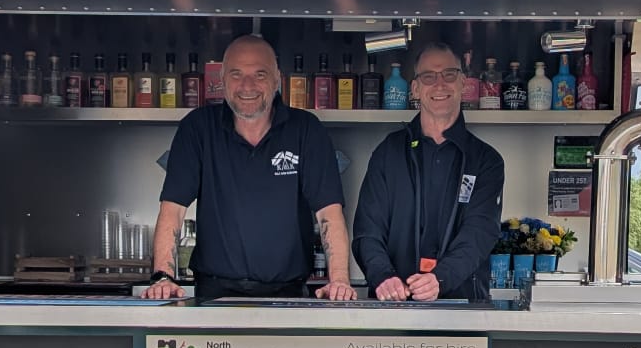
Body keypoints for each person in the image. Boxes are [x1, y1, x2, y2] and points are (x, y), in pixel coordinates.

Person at [145, 35, 355, 303]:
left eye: (259, 74)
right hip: (213, 294)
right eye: (236, 74)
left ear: (277, 78)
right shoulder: (197, 128)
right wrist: (164, 276)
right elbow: (172, 209)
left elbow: (329, 212)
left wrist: (339, 279)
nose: (247, 86)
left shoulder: (306, 130)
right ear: (221, 79)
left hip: (289, 295)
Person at [352, 41, 505, 303]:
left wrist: (440, 278)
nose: (440, 84)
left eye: (449, 74)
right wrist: (383, 276)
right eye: (428, 77)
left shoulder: (485, 161)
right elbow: (368, 230)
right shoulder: (388, 152)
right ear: (415, 87)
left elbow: (479, 233)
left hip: (463, 309)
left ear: (463, 83)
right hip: (394, 306)